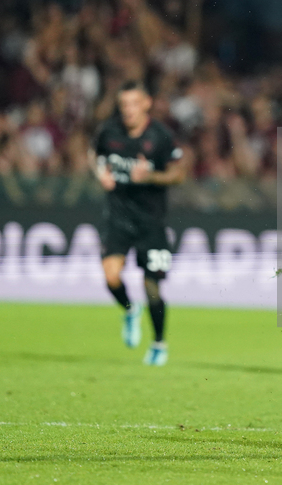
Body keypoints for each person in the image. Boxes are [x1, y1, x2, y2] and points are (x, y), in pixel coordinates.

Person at [91, 80, 185, 366]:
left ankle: (158, 343)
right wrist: (100, 173)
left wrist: (151, 177)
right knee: (110, 276)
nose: (128, 111)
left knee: (152, 288)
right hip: (119, 217)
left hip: (151, 222)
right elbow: (94, 155)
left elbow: (178, 174)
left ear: (147, 104)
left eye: (134, 104)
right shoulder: (109, 132)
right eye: (123, 105)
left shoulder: (160, 136)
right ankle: (130, 310)